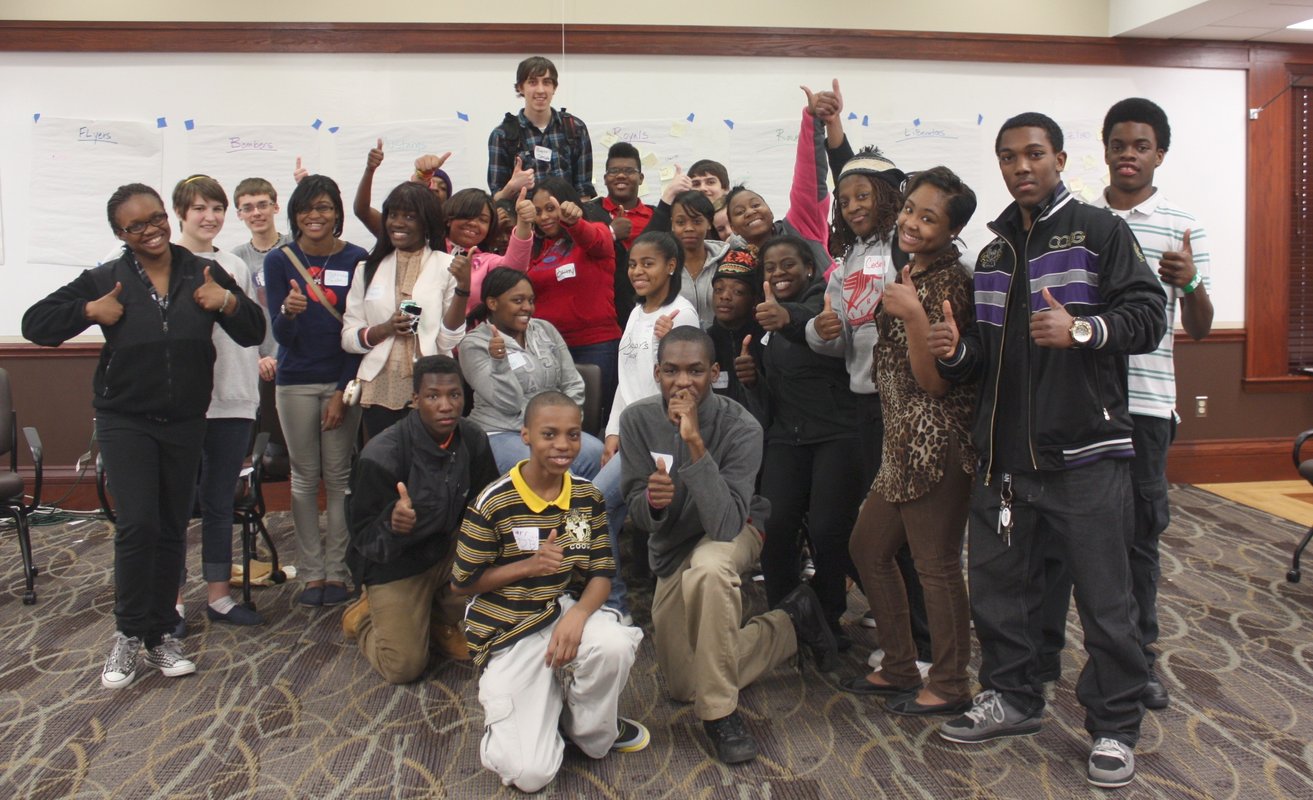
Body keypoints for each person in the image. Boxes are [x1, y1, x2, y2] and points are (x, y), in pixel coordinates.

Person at [928, 112, 1166, 789]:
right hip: (1004, 462)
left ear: (1059, 159)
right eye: (1008, 157)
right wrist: (957, 352)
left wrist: (1083, 329)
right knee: (1004, 594)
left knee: (1104, 600)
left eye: (1033, 154)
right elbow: (987, 359)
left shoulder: (1099, 232)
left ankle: (1115, 725)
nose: (1020, 167)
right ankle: (1014, 696)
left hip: (1086, 456)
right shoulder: (994, 252)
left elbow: (1148, 314)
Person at [22, 183, 266, 689]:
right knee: (138, 526)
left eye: (156, 218)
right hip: (125, 419)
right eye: (137, 225)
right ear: (121, 233)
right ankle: (129, 634)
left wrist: (225, 302)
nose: (152, 229)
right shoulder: (106, 277)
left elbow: (252, 328)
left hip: (185, 420)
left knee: (174, 524)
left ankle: (160, 635)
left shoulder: (199, 269)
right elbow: (35, 324)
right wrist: (89, 312)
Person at [1039, 97, 1215, 712]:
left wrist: (1189, 281)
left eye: (1141, 146)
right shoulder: (1076, 221)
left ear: (1158, 154)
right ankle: (1044, 655)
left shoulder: (1181, 224)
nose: (1128, 155)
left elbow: (1197, 328)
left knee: (1138, 537)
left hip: (1144, 403)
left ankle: (1138, 659)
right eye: (1118, 144)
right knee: (1062, 536)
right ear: (1105, 150)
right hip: (1076, 404)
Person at [619, 326, 838, 765]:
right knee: (683, 684)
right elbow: (638, 515)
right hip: (674, 548)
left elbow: (723, 524)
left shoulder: (742, 426)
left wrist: (695, 444)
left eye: (696, 371)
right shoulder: (636, 421)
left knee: (710, 568)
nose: (683, 382)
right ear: (657, 373)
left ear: (715, 373)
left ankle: (721, 715)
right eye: (672, 371)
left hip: (736, 530)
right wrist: (652, 506)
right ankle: (792, 623)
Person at [453, 391, 648, 793]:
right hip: (508, 628)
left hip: (557, 610)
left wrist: (577, 617)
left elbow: (594, 572)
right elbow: (462, 583)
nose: (563, 446)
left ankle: (586, 728)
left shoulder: (581, 497)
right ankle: (523, 715)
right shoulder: (493, 502)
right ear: (525, 436)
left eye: (573, 435)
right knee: (530, 775)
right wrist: (528, 565)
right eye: (549, 434)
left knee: (613, 643)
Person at [840, 167, 978, 719]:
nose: (913, 223)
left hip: (937, 444)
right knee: (867, 549)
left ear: (950, 230)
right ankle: (899, 663)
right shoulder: (911, 269)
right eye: (911, 210)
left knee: (936, 565)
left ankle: (949, 681)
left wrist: (917, 316)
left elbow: (936, 381)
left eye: (929, 217)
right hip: (901, 444)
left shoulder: (948, 284)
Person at [804, 82, 934, 663]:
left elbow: (892, 188)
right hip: (864, 405)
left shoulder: (902, 244)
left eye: (865, 196)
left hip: (907, 403)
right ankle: (891, 631)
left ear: (889, 199)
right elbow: (836, 338)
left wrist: (835, 133)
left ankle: (925, 644)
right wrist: (819, 332)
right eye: (846, 199)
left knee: (905, 531)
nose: (854, 205)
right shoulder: (849, 258)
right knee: (862, 530)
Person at [343, 355, 499, 683]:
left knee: (506, 562)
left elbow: (486, 508)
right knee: (403, 668)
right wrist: (392, 526)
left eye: (454, 395)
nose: (446, 405)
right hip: (395, 562)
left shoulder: (472, 439)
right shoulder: (382, 455)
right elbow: (362, 540)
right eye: (433, 396)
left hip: (444, 549)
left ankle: (438, 615)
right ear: (415, 401)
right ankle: (365, 618)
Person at [264, 175, 369, 609]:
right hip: (294, 382)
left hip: (343, 380)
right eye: (306, 208)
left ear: (337, 213)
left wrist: (342, 390)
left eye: (324, 207)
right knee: (305, 479)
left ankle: (339, 570)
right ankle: (311, 573)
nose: (315, 216)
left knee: (340, 477)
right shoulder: (279, 261)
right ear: (295, 214)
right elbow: (281, 337)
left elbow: (360, 331)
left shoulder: (359, 259)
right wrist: (288, 314)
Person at [754, 234, 865, 644]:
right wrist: (752, 377)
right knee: (775, 523)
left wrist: (789, 318)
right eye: (770, 267)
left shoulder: (826, 299)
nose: (779, 273)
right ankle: (786, 617)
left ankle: (828, 611)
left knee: (827, 528)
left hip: (836, 433)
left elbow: (819, 326)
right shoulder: (766, 311)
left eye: (788, 265)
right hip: (788, 436)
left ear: (809, 268)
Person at [172, 174, 270, 629]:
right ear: (180, 214)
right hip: (182, 404)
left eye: (217, 209)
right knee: (172, 504)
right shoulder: (164, 262)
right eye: (199, 209)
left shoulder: (234, 265)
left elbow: (250, 332)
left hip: (233, 399)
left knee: (218, 502)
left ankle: (218, 596)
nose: (209, 217)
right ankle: (170, 602)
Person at [341, 182, 469, 440]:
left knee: (430, 462)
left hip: (431, 382)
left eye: (409, 217)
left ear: (427, 223)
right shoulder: (367, 269)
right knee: (384, 464)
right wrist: (384, 329)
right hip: (379, 383)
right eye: (393, 215)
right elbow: (348, 338)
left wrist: (463, 289)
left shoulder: (448, 265)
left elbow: (449, 340)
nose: (397, 223)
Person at [463, 267, 605, 475]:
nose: (527, 308)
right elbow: (507, 403)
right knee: (555, 470)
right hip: (501, 431)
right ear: (493, 303)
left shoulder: (544, 329)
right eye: (518, 301)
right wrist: (499, 362)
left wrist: (563, 426)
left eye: (530, 300)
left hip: (553, 430)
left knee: (599, 456)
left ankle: (588, 507)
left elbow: (572, 382)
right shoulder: (474, 344)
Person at [526, 177, 622, 423]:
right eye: (538, 212)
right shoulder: (537, 247)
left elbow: (596, 240)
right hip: (549, 348)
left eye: (551, 208)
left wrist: (573, 223)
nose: (545, 217)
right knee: (556, 420)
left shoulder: (594, 231)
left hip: (594, 346)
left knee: (594, 421)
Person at [723, 93, 832, 273]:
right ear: (733, 228)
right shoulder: (737, 265)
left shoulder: (799, 227)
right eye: (740, 212)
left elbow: (809, 179)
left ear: (771, 211)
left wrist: (812, 120)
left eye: (756, 204)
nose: (751, 212)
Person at [487, 56, 595, 200]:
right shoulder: (503, 135)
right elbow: (496, 199)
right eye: (532, 82)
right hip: (524, 219)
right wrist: (511, 187)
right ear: (520, 87)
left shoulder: (575, 128)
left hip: (567, 219)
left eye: (547, 82)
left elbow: (584, 191)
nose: (540, 90)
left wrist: (577, 219)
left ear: (554, 87)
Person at [583, 142, 654, 328]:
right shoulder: (588, 214)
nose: (621, 175)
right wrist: (611, 233)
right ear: (605, 179)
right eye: (614, 171)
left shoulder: (657, 217)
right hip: (601, 315)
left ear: (641, 178)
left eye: (629, 170)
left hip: (649, 312)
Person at [231, 176, 288, 382]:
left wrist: (305, 184)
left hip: (295, 359)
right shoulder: (236, 258)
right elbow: (235, 317)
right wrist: (256, 358)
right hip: (257, 366)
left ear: (276, 207)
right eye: (248, 208)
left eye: (263, 205)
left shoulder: (295, 246)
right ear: (239, 214)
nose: (256, 213)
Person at [705, 249, 768, 428]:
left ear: (754, 299)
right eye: (718, 289)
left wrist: (754, 382)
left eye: (738, 291)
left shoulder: (766, 339)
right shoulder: (704, 343)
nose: (724, 296)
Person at [448, 186, 535, 312]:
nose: (474, 223)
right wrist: (423, 176)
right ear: (449, 218)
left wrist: (524, 223)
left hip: (470, 331)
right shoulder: (431, 247)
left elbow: (514, 268)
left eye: (483, 220)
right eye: (467, 216)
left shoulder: (487, 262)